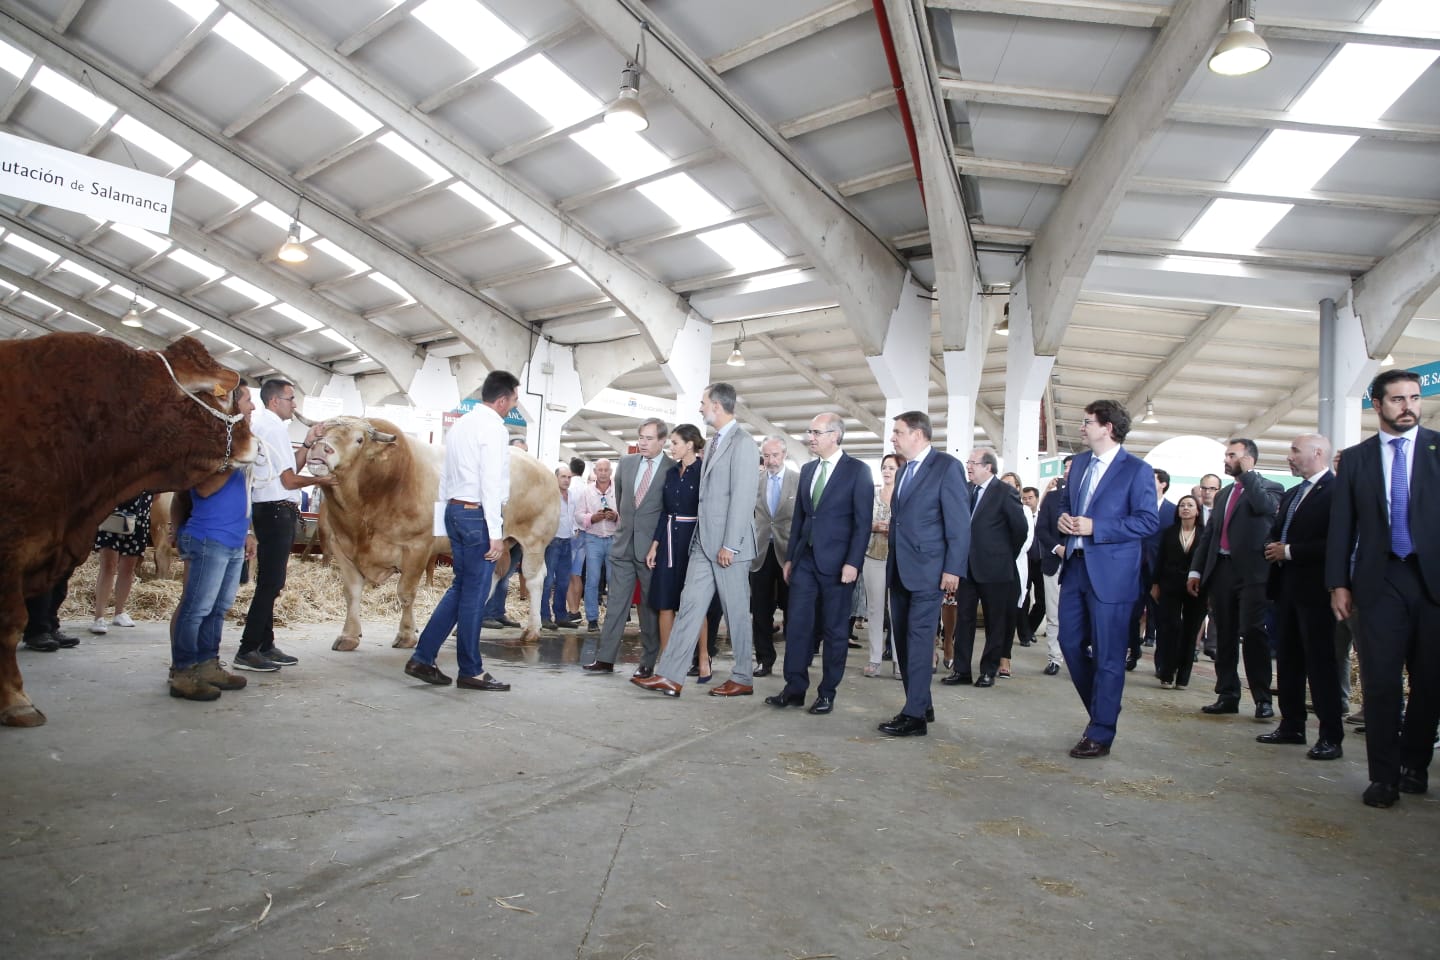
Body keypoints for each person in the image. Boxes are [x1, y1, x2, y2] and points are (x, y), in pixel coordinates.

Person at [1327, 369, 1440, 808]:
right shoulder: (1356, 459)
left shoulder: (1437, 448)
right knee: (1380, 681)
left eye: (1413, 397)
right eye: (1397, 399)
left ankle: (1414, 764)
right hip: (1380, 579)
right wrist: (1338, 582)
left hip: (1432, 580)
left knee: (1430, 680)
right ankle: (1383, 777)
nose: (1408, 406)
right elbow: (1342, 527)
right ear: (1377, 405)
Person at [632, 383, 759, 699]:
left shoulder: (742, 444)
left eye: (703, 403)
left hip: (729, 545)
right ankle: (671, 676)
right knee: (689, 606)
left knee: (736, 612)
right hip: (704, 543)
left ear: (716, 405)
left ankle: (743, 676)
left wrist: (730, 544)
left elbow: (743, 498)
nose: (701, 408)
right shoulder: (716, 441)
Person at [403, 370, 520, 693]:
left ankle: (423, 657)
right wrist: (496, 533)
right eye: (513, 400)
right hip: (476, 514)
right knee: (474, 594)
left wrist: (446, 520)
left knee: (461, 588)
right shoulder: (494, 428)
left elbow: (445, 475)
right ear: (501, 400)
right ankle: (471, 669)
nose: (513, 407)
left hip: (455, 511)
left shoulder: (460, 425)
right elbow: (490, 481)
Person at [1055, 399, 1159, 758]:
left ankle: (1100, 732)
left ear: (1108, 428)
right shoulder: (1081, 463)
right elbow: (1066, 504)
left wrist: (1097, 527)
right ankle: (1104, 711)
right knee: (1068, 642)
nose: (1082, 428)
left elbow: (1148, 521)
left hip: (1112, 574)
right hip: (1076, 567)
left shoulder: (1137, 470)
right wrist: (1064, 520)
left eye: (1088, 422)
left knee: (1109, 655)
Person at [765, 413, 873, 715]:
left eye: (816, 432)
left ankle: (827, 692)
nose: (810, 437)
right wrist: (791, 559)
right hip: (805, 563)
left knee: (835, 630)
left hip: (839, 566)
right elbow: (800, 518)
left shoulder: (858, 471)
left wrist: (853, 563)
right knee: (797, 626)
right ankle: (794, 688)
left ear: (834, 435)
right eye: (809, 431)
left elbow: (862, 524)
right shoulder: (809, 470)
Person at [878, 411, 969, 737]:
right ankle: (922, 701)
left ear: (917, 434)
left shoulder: (946, 467)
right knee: (902, 640)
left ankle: (914, 716)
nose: (893, 438)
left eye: (898, 432)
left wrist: (953, 569)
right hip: (900, 570)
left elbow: (959, 523)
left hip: (930, 572)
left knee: (918, 640)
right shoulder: (904, 473)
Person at [236, 379, 335, 672]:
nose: (295, 405)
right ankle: (247, 648)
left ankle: (265, 645)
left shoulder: (270, 427)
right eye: (291, 399)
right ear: (275, 401)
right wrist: (322, 480)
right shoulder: (273, 428)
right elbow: (289, 481)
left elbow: (289, 467)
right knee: (270, 583)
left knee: (270, 580)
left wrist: (307, 443)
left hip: (272, 509)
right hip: (275, 510)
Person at [168, 382, 257, 701]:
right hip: (209, 537)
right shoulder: (209, 444)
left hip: (232, 539)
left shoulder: (238, 442)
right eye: (247, 400)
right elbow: (203, 489)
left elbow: (243, 494)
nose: (252, 407)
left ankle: (207, 664)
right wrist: (236, 459)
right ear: (231, 403)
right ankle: (182, 672)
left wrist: (249, 532)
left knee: (218, 609)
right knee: (196, 608)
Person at [1260, 433, 1343, 760]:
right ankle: (1292, 724)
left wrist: (1289, 551)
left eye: (1295, 451)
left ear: (1318, 453)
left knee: (1321, 665)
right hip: (1286, 591)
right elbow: (1279, 532)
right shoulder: (1294, 493)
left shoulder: (1336, 492)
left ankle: (1330, 736)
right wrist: (1272, 545)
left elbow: (1335, 542)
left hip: (1317, 593)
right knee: (1289, 661)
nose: (1289, 457)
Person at [1187, 439, 1282, 719]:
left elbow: (1265, 508)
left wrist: (1249, 475)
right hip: (1222, 571)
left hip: (1253, 574)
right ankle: (1227, 694)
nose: (1226, 460)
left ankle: (1262, 699)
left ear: (1249, 458)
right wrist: (1196, 570)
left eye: (1232, 455)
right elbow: (1209, 536)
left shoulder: (1270, 488)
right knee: (1224, 635)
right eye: (1226, 455)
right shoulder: (1224, 493)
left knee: (1253, 635)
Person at [583, 419, 673, 676]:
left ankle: (647, 661)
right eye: (640, 437)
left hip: (650, 552)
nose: (642, 443)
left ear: (662, 441)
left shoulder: (671, 469)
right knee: (616, 605)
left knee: (648, 608)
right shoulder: (626, 463)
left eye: (648, 438)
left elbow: (666, 511)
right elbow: (623, 502)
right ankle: (605, 658)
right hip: (622, 546)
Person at [943, 448, 1026, 688]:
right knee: (964, 620)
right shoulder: (966, 490)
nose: (968, 466)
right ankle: (961, 670)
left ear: (988, 467)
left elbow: (1019, 530)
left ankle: (988, 670)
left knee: (995, 622)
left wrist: (1003, 555)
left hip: (996, 569)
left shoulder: (1005, 492)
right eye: (968, 462)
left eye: (973, 463)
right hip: (966, 569)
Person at [640, 424, 707, 673]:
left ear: (690, 444)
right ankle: (666, 661)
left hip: (693, 542)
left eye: (675, 443)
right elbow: (665, 512)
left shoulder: (703, 472)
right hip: (668, 540)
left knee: (693, 603)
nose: (671, 448)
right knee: (664, 601)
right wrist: (655, 546)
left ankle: (701, 658)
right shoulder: (671, 472)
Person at [750, 436, 798, 677]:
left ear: (784, 455)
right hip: (759, 552)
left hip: (789, 553)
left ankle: (795, 661)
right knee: (760, 610)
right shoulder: (754, 481)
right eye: (766, 456)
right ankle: (764, 660)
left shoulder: (797, 481)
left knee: (794, 609)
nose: (771, 460)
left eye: (775, 455)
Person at [1151, 495, 1204, 690]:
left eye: (1190, 505)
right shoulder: (1169, 532)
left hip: (1196, 587)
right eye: (1182, 505)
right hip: (1169, 585)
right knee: (1169, 627)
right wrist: (1155, 583)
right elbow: (1159, 559)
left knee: (1190, 630)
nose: (1185, 508)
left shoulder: (1205, 534)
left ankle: (1183, 676)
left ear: (1197, 510)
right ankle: (1166, 673)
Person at [482, 438, 532, 629]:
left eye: (525, 452)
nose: (522, 456)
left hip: (518, 534)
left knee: (506, 575)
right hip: (501, 532)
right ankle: (485, 613)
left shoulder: (526, 478)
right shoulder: (499, 476)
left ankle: (497, 612)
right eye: (518, 451)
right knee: (494, 572)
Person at [89, 491, 153, 635]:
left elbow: (157, 494)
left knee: (129, 567)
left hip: (139, 516)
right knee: (108, 565)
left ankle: (119, 612)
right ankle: (99, 616)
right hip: (112, 514)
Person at [1033, 456, 1073, 676]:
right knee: (1053, 612)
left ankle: (1080, 655)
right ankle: (1054, 658)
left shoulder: (1089, 498)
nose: (1067, 470)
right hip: (1054, 561)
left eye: (1071, 467)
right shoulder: (1052, 498)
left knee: (1079, 613)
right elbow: (1041, 529)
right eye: (1065, 467)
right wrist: (1057, 548)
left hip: (1080, 563)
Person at [863, 454, 901, 677]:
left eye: (892, 468)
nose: (887, 472)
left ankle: (898, 660)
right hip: (873, 556)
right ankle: (874, 659)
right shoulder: (872, 497)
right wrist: (874, 526)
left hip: (898, 558)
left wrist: (894, 529)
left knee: (897, 610)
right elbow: (860, 521)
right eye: (884, 468)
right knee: (875, 609)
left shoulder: (905, 495)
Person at [575, 458, 617, 632]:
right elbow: (578, 515)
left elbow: (626, 514)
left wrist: (615, 517)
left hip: (614, 539)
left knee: (613, 580)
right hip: (593, 539)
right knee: (592, 579)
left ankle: (613, 618)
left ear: (610, 472)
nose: (602, 473)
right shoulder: (586, 492)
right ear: (595, 472)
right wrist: (591, 518)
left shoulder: (618, 490)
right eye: (599, 470)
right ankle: (592, 619)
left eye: (605, 469)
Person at [540, 464, 576, 631]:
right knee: (548, 581)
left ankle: (561, 615)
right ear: (556, 478)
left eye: (569, 477)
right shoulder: (549, 496)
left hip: (568, 541)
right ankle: (544, 616)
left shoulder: (572, 496)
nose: (567, 480)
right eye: (563, 476)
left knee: (563, 581)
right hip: (553, 541)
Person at [564, 457, 587, 625]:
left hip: (571, 533)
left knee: (566, 574)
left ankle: (572, 610)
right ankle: (576, 610)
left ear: (571, 471)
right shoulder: (587, 488)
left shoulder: (570, 487)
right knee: (577, 574)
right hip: (585, 533)